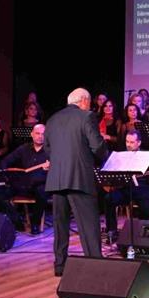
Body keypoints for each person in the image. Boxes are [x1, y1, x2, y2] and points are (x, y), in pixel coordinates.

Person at [45, 88, 109, 276]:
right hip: (79, 178)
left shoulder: (52, 119)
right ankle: (95, 266)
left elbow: (47, 148)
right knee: (88, 224)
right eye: (89, 102)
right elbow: (97, 146)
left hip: (57, 178)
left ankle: (60, 266)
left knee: (60, 225)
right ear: (84, 100)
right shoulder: (86, 116)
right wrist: (104, 153)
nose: (90, 106)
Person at [0, 123, 50, 234]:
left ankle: (35, 223)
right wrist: (4, 171)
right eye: (37, 133)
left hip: (40, 184)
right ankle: (17, 222)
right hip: (23, 184)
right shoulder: (24, 148)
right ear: (32, 134)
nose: (40, 136)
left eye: (43, 134)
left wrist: (51, 168)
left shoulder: (52, 150)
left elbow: (61, 168)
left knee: (42, 191)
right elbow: (5, 161)